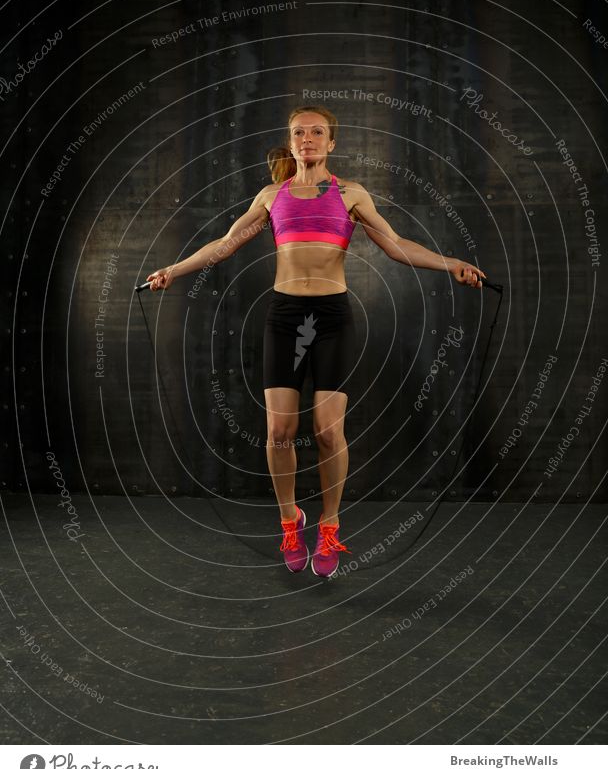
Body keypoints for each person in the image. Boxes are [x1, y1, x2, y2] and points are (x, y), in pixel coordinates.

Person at [146, 103, 486, 579]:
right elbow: (223, 245)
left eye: (317, 132)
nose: (307, 138)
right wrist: (172, 270)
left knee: (328, 432)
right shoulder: (271, 195)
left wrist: (451, 263)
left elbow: (396, 244)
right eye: (299, 132)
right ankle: (290, 520)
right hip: (285, 316)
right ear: (291, 142)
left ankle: (329, 525)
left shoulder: (351, 194)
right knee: (278, 433)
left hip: (331, 316)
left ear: (331, 143)